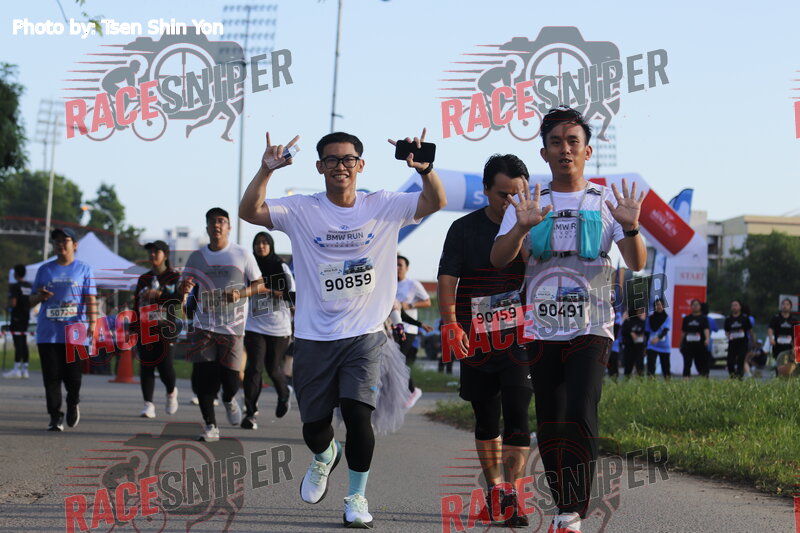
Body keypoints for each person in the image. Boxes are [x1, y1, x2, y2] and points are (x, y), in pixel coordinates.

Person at [239, 129, 445, 528]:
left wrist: (425, 170)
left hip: (366, 333)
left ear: (360, 165)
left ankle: (356, 498)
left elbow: (435, 201)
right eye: (331, 160)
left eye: (348, 159)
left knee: (357, 414)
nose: (340, 166)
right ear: (320, 167)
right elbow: (250, 211)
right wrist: (266, 170)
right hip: (314, 335)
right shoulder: (301, 209)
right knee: (314, 427)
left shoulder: (383, 205)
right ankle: (324, 455)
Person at [490, 107, 646, 533]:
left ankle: (572, 511)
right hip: (542, 327)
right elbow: (499, 258)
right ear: (544, 153)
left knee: (581, 410)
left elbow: (636, 262)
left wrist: (632, 228)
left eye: (573, 142)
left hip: (592, 325)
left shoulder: (605, 201)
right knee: (552, 420)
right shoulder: (528, 201)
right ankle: (564, 504)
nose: (565, 150)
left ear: (587, 150)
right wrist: (520, 228)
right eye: (556, 143)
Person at [438, 153, 533, 526]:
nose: (510, 202)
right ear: (485, 191)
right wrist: (451, 323)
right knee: (486, 417)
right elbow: (448, 279)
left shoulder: (534, 226)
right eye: (502, 195)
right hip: (475, 337)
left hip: (520, 337)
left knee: (518, 414)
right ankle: (495, 489)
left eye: (517, 194)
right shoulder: (464, 229)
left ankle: (512, 493)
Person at [180, 208, 261, 442]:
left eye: (222, 221)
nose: (217, 225)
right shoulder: (197, 257)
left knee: (231, 380)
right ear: (207, 227)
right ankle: (210, 426)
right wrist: (184, 288)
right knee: (204, 378)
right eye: (213, 222)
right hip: (204, 325)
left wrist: (240, 294)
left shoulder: (241, 254)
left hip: (233, 327)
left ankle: (228, 399)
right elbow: (183, 286)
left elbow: (260, 284)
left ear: (229, 227)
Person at [29, 228, 97, 431]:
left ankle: (73, 402)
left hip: (75, 332)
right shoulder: (45, 270)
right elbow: (31, 299)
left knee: (73, 377)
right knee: (51, 377)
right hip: (48, 332)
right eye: (57, 241)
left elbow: (90, 298)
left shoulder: (84, 269)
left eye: (65, 240)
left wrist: (93, 323)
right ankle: (55, 416)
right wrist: (40, 297)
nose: (60, 244)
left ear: (74, 245)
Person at [241, 231, 296, 429]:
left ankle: (284, 393)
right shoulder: (249, 267)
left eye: (265, 242)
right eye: (257, 243)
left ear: (271, 246)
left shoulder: (281, 266)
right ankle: (250, 413)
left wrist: (269, 291)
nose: (261, 246)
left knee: (273, 368)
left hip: (278, 327)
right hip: (254, 325)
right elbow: (241, 290)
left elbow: (293, 295)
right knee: (254, 368)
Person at [133, 240, 181, 418]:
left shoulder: (174, 277)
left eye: (156, 252)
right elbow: (136, 304)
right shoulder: (144, 279)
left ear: (165, 255)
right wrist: (133, 328)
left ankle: (171, 392)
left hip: (166, 328)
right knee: (146, 366)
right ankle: (148, 404)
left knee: (165, 367)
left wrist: (161, 295)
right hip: (146, 327)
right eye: (150, 252)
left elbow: (178, 299)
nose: (152, 255)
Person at [395, 254, 431, 405]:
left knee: (399, 360)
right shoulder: (390, 283)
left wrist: (410, 305)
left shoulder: (413, 284)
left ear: (407, 268)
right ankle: (399, 393)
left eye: (400, 265)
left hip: (408, 328)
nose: (397, 268)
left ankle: (413, 390)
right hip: (393, 326)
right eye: (395, 265)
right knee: (391, 362)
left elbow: (427, 302)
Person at [4, 264, 32, 379]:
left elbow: (13, 303)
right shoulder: (29, 285)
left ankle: (16, 369)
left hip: (16, 317)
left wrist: (7, 306)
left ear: (15, 273)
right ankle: (25, 369)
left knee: (18, 343)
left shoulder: (15, 286)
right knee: (24, 342)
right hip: (26, 316)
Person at [680, 299, 710, 378]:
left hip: (700, 345)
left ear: (700, 306)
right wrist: (680, 343)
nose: (695, 306)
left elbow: (706, 329)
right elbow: (683, 332)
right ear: (691, 306)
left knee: (700, 364)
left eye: (697, 304)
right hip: (688, 345)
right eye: (693, 305)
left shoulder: (704, 318)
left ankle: (704, 379)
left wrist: (707, 338)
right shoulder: (687, 318)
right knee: (687, 364)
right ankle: (685, 381)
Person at [724, 299, 752, 379]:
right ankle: (732, 376)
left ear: (740, 307)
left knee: (741, 360)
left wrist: (753, 341)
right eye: (732, 305)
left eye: (736, 305)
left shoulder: (744, 318)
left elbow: (750, 331)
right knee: (730, 362)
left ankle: (739, 377)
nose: (734, 307)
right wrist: (729, 336)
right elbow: (726, 331)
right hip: (732, 343)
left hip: (743, 343)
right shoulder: (728, 319)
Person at [645, 298, 671, 379]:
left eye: (660, 305)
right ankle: (650, 382)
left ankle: (668, 383)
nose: (658, 306)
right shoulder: (650, 318)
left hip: (664, 346)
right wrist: (645, 346)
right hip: (652, 345)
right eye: (656, 305)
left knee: (666, 367)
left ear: (663, 306)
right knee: (650, 366)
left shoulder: (667, 318)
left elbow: (665, 331)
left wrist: (657, 338)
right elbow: (647, 332)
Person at [768, 298, 798, 366]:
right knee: (778, 363)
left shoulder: (794, 319)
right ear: (781, 306)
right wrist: (771, 339)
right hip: (778, 345)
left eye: (787, 304)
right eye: (783, 304)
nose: (785, 306)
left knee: (789, 363)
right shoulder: (776, 318)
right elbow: (770, 328)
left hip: (789, 346)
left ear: (790, 307)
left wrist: (795, 346)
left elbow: (797, 333)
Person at [621, 308, 647, 377]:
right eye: (639, 311)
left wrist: (642, 336)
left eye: (642, 311)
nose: (640, 313)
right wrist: (630, 333)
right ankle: (626, 379)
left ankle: (640, 381)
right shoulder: (628, 321)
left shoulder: (644, 321)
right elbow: (623, 332)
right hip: (629, 346)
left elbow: (646, 333)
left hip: (640, 347)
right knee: (628, 365)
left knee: (640, 365)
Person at [607, 309, 624, 379]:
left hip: (615, 347)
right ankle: (611, 377)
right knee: (609, 364)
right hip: (607, 347)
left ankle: (615, 380)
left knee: (614, 364)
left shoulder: (617, 318)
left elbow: (616, 334)